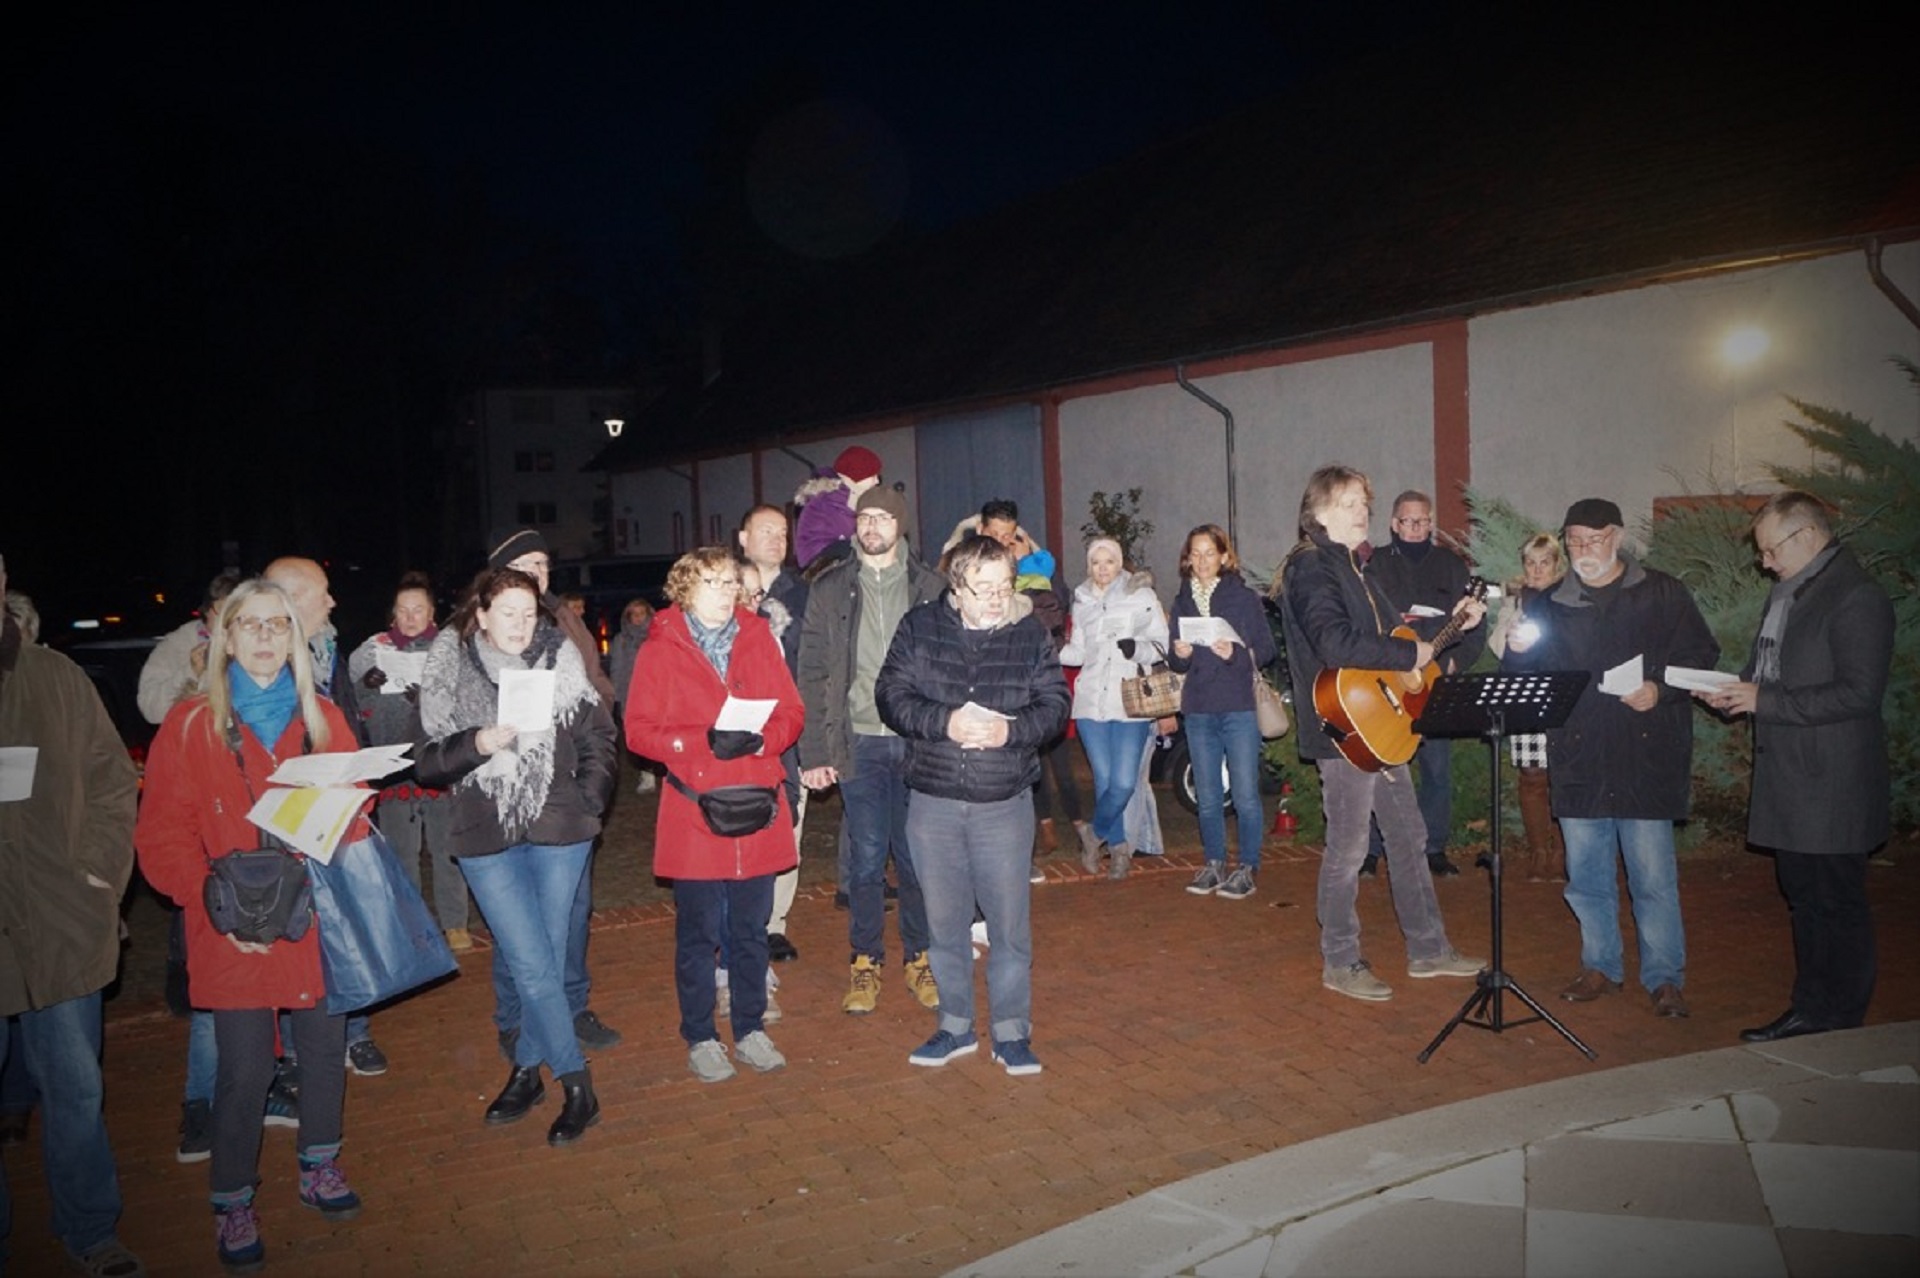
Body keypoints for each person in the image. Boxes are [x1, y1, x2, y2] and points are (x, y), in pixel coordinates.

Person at [134, 578, 364, 1271]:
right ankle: (232, 1198)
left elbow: (356, 812)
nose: (265, 637)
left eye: (278, 625)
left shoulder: (320, 715)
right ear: (226, 637)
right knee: (245, 1067)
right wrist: (207, 902)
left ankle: (319, 1162)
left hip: (313, 912)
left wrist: (345, 818)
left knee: (325, 1048)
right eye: (252, 625)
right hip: (229, 920)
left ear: (294, 639)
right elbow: (162, 834)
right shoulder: (189, 724)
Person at [415, 566, 618, 1145]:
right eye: (508, 613)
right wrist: (475, 744)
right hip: (486, 834)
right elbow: (425, 762)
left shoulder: (560, 662)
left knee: (544, 962)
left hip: (560, 830)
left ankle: (529, 1072)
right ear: (480, 615)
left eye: (529, 615)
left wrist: (587, 803)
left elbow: (601, 739)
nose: (521, 626)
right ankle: (578, 1083)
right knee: (531, 961)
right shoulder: (449, 668)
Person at [1276, 466, 1487, 1002]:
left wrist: (1457, 626)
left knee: (1410, 838)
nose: (1361, 511)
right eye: (1350, 502)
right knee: (1347, 851)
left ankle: (1429, 949)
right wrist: (1406, 652)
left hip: (1382, 727)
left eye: (1364, 502)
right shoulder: (1310, 567)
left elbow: (1399, 638)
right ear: (1319, 511)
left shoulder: (1357, 568)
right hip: (1344, 732)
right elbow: (1335, 641)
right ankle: (1341, 961)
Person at [1505, 497, 1718, 1019]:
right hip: (1580, 755)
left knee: (1652, 878)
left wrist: (1659, 687)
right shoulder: (1550, 601)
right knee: (1588, 877)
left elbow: (1700, 654)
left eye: (1594, 540)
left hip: (1644, 753)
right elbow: (1526, 672)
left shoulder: (1661, 592)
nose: (1583, 550)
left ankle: (1665, 976)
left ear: (1618, 538)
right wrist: (1516, 646)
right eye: (1573, 541)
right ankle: (1599, 965)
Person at [1700, 492, 1892, 1042]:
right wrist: (1733, 691)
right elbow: (1771, 669)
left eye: (1768, 551)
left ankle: (1834, 1016)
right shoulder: (1792, 592)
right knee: (1807, 898)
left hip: (1832, 784)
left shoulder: (1855, 596)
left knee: (1833, 902)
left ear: (1805, 535)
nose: (1764, 563)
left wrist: (1765, 701)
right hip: (1794, 778)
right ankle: (1817, 1008)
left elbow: (1859, 693)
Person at [1, 553, 146, 1278]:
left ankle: (90, 1230)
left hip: (60, 924)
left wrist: (96, 874)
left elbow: (113, 781)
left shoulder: (54, 679)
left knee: (76, 1090)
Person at [878, 534, 1070, 1076]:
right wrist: (945, 723)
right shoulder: (919, 628)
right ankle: (954, 1026)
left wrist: (1010, 733)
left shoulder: (1029, 634)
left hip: (1003, 802)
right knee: (945, 926)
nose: (995, 598)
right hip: (933, 802)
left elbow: (1054, 705)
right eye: (982, 588)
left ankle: (1011, 1033)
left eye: (1004, 586)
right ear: (956, 587)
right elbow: (890, 694)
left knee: (1009, 928)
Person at [625, 548, 803, 1082]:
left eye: (731, 582)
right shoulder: (661, 649)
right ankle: (701, 1036)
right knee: (699, 935)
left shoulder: (757, 638)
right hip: (695, 808)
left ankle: (750, 1029)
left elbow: (791, 712)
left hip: (756, 802)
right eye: (712, 582)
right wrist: (698, 741)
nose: (726, 592)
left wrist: (761, 738)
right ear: (684, 588)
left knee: (751, 930)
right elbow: (638, 731)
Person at [797, 483, 945, 1014]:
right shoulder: (831, 587)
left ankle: (919, 956)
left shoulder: (931, 586)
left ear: (900, 525)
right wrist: (815, 751)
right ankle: (865, 961)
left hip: (916, 744)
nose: (872, 527)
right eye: (865, 518)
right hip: (857, 742)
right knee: (864, 859)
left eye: (883, 517)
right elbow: (812, 671)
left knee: (915, 858)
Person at [481, 530, 622, 1055]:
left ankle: (571, 1005)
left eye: (542, 563)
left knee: (572, 909)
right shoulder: (479, 627)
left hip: (566, 798)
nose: (537, 574)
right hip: (506, 792)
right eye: (524, 564)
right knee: (513, 913)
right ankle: (515, 1016)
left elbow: (599, 687)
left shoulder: (565, 619)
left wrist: (590, 787)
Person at [263, 556, 385, 1076]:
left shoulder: (327, 651)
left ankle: (354, 1032)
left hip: (338, 811)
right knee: (296, 935)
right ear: (291, 600)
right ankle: (292, 1050)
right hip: (288, 825)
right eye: (324, 593)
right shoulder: (266, 665)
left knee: (345, 930)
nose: (334, 602)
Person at [1362, 491, 1485, 879]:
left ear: (1431, 523)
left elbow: (1475, 629)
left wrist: (1452, 663)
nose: (1416, 528)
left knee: (1436, 767)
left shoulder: (1451, 566)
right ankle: (1371, 849)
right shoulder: (1374, 566)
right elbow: (1363, 622)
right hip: (1386, 682)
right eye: (1407, 521)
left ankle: (1434, 847)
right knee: (1378, 764)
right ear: (1393, 524)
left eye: (1423, 521)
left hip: (1435, 682)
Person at [349, 573, 469, 951]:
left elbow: (467, 703)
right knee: (402, 851)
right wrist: (364, 684)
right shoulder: (371, 650)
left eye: (418, 610)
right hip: (393, 762)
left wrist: (430, 701)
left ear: (432, 612)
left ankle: (455, 923)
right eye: (403, 610)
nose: (411, 617)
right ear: (393, 614)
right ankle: (414, 925)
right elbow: (353, 703)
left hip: (438, 761)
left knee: (446, 847)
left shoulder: (451, 649)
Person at [1169, 524, 1277, 900]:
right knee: (1209, 795)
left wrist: (1235, 654)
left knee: (1245, 793)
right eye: (1195, 554)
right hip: (1198, 708)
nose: (1201, 561)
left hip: (1237, 707)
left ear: (1224, 557)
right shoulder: (1181, 600)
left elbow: (1265, 649)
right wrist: (1179, 656)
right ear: (1187, 559)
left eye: (1208, 553)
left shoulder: (1243, 597)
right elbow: (1176, 660)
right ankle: (1214, 862)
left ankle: (1248, 866)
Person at [1059, 537, 1169, 879]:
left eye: (1109, 561)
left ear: (1120, 563)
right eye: (1096, 562)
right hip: (1091, 701)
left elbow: (1162, 646)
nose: (1102, 569)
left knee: (1123, 782)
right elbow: (1078, 652)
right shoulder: (1082, 601)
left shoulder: (1141, 596)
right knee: (1105, 781)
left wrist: (1136, 648)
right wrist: (1048, 651)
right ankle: (1119, 851)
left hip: (1130, 702)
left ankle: (1095, 834)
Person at [737, 504, 808, 962]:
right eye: (765, 530)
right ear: (742, 538)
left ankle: (774, 922)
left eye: (783, 532)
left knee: (790, 825)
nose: (776, 538)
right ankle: (742, 920)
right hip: (738, 731)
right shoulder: (723, 586)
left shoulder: (803, 593)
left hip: (789, 729)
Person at [1487, 533, 1569, 881]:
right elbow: (1498, 647)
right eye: (1530, 563)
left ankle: (1565, 854)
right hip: (1525, 693)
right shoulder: (1516, 601)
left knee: (1563, 776)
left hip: (1562, 693)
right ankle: (1539, 852)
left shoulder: (1568, 597)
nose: (1536, 570)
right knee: (1532, 776)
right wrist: (1512, 616)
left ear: (1556, 564)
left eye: (1544, 562)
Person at [138, 569, 243, 725]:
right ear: (207, 609)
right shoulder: (177, 645)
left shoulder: (259, 644)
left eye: (236, 612)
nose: (227, 619)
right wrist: (190, 672)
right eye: (222, 610)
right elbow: (152, 711)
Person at [794, 444, 884, 570]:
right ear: (857, 476)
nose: (877, 481)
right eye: (873, 475)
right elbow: (820, 550)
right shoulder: (826, 504)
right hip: (821, 573)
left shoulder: (851, 503)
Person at [608, 597, 658, 794]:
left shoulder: (658, 636)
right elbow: (617, 669)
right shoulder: (621, 640)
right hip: (632, 694)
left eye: (641, 613)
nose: (637, 618)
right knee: (639, 738)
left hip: (657, 694)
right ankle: (647, 775)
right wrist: (617, 697)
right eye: (633, 614)